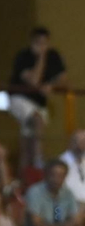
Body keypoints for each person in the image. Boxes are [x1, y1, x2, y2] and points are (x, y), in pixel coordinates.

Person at [10, 26, 68, 170]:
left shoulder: (53, 55)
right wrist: (41, 57)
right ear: (32, 41)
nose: (41, 46)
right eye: (38, 42)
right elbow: (34, 81)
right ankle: (38, 160)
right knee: (37, 119)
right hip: (19, 99)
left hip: (39, 103)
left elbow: (64, 79)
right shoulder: (23, 56)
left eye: (44, 43)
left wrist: (50, 85)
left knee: (27, 138)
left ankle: (27, 171)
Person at [25, 160, 81, 226]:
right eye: (53, 175)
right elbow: (36, 223)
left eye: (61, 176)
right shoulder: (35, 192)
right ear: (46, 175)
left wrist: (71, 224)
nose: (56, 179)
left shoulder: (67, 193)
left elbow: (74, 218)